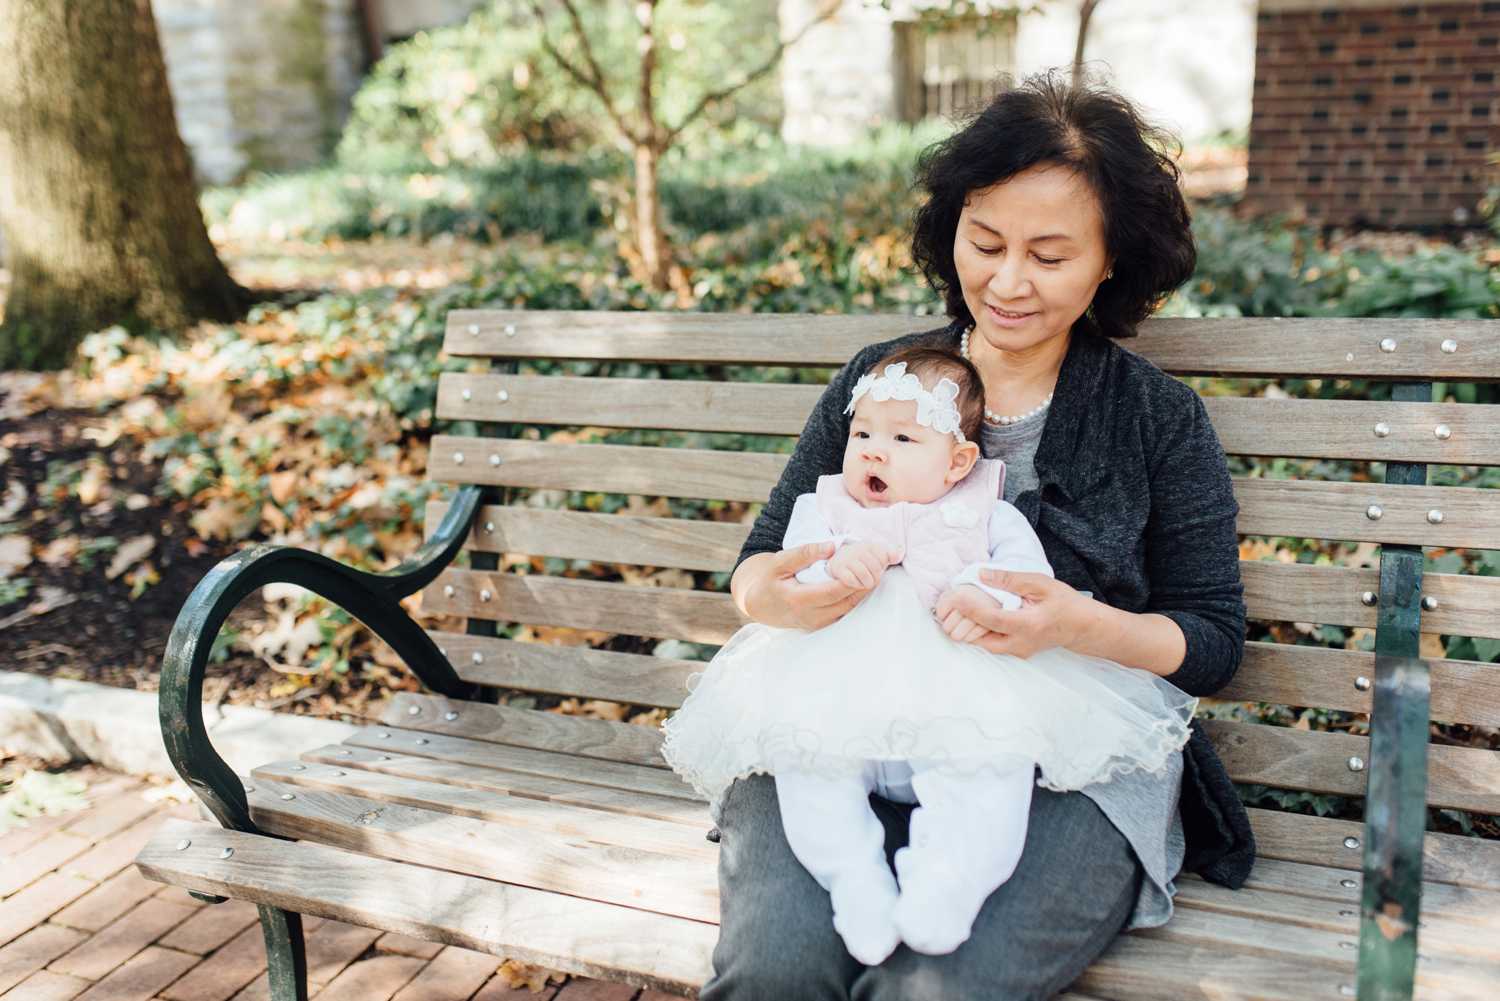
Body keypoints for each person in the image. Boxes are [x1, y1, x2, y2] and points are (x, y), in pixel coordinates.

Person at [699, 69, 1253, 1001]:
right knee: (774, 971)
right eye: (985, 241)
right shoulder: (881, 384)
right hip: (838, 727)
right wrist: (776, 598)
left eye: (1049, 255)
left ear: (1112, 260)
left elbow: (1211, 642)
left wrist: (1074, 622)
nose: (1006, 281)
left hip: (1062, 766)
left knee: (937, 987)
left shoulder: (1157, 418)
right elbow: (756, 567)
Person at [661, 346, 1198, 965]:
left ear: (957, 462)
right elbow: (786, 576)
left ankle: (950, 879)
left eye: (902, 438)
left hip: (957, 691)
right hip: (836, 692)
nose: (872, 450)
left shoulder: (986, 513)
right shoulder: (824, 507)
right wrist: (829, 569)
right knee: (810, 768)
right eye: (861, 432)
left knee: (984, 767)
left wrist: (980, 588)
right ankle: (851, 878)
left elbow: (1027, 580)